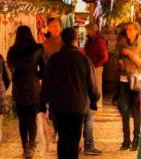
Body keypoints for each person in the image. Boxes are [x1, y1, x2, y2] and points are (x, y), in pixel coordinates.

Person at [40, 28, 100, 159]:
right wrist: (94, 100)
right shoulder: (84, 60)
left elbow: (47, 83)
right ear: (76, 39)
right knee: (74, 139)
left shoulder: (54, 59)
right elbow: (92, 84)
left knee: (62, 137)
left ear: (62, 40)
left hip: (58, 106)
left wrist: (43, 102)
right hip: (78, 106)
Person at [7, 26, 46, 158]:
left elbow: (9, 68)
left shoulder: (13, 50)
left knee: (22, 120)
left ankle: (25, 147)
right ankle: (31, 146)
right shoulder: (38, 49)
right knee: (32, 119)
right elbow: (45, 69)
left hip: (19, 87)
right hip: (33, 87)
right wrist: (36, 75)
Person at [117, 22, 141, 151]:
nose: (127, 32)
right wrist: (120, 62)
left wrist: (130, 55)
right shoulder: (123, 42)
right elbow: (119, 58)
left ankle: (136, 141)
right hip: (124, 79)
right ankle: (126, 140)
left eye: (130, 30)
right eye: (126, 30)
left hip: (136, 80)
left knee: (135, 110)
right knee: (124, 109)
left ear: (137, 30)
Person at [82, 23, 108, 155]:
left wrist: (94, 65)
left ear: (93, 30)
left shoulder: (99, 41)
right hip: (89, 67)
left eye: (88, 29)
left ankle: (96, 105)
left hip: (95, 68)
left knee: (95, 87)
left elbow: (104, 56)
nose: (87, 31)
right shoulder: (90, 40)